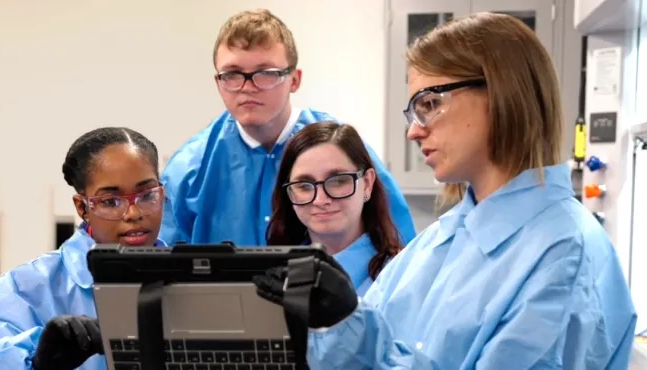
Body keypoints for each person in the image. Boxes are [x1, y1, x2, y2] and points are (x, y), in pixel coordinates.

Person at [253, 12, 637, 369]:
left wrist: (348, 328)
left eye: (430, 103)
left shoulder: (564, 256)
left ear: (501, 94)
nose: (414, 130)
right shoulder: (445, 238)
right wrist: (335, 321)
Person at [160, 8, 416, 247]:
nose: (248, 86)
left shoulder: (342, 152)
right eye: (232, 74)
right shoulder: (188, 170)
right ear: (218, 83)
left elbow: (400, 252)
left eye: (266, 72)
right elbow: (162, 269)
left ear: (294, 80)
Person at [0, 127, 166, 370]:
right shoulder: (23, 289)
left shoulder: (193, 281)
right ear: (82, 208)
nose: (133, 213)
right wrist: (38, 363)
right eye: (110, 201)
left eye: (146, 195)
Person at [267, 122, 403, 295]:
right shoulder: (276, 276)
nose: (320, 199)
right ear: (290, 194)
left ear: (367, 183)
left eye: (338, 181)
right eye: (304, 185)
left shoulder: (402, 274)